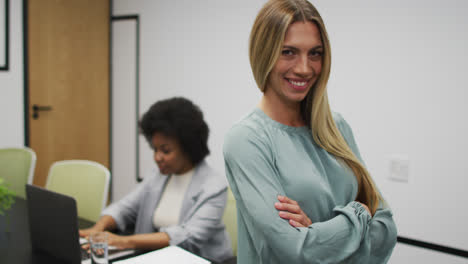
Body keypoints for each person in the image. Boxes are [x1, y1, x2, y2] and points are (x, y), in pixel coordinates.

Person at [223, 0, 397, 263]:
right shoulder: (247, 140)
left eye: (315, 53)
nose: (305, 68)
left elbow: (386, 231)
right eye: (288, 52)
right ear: (263, 53)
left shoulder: (337, 127)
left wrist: (317, 232)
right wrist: (359, 213)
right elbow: (294, 252)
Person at [80, 97, 233, 263]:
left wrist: (122, 241)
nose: (157, 157)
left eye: (166, 151)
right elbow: (126, 207)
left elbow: (189, 237)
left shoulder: (214, 185)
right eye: (155, 149)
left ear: (189, 148)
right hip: (157, 257)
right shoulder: (157, 175)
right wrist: (98, 228)